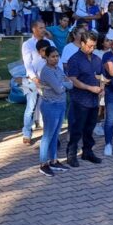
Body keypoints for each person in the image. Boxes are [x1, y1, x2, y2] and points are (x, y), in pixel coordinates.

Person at [64, 30, 103, 165]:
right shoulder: (74, 59)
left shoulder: (97, 59)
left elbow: (100, 76)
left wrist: (102, 86)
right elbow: (73, 79)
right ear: (82, 43)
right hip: (80, 100)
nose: (91, 49)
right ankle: (71, 154)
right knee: (76, 128)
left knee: (89, 128)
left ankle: (87, 151)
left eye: (94, 46)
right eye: (89, 46)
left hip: (93, 100)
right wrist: (89, 88)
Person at [37, 45, 70, 176]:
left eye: (57, 56)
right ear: (47, 57)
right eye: (52, 56)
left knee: (55, 135)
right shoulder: (46, 71)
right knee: (48, 135)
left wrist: (64, 84)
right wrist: (64, 85)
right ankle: (43, 163)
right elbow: (58, 88)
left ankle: (54, 160)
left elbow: (69, 83)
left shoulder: (58, 69)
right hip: (51, 105)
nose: (55, 59)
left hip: (61, 104)